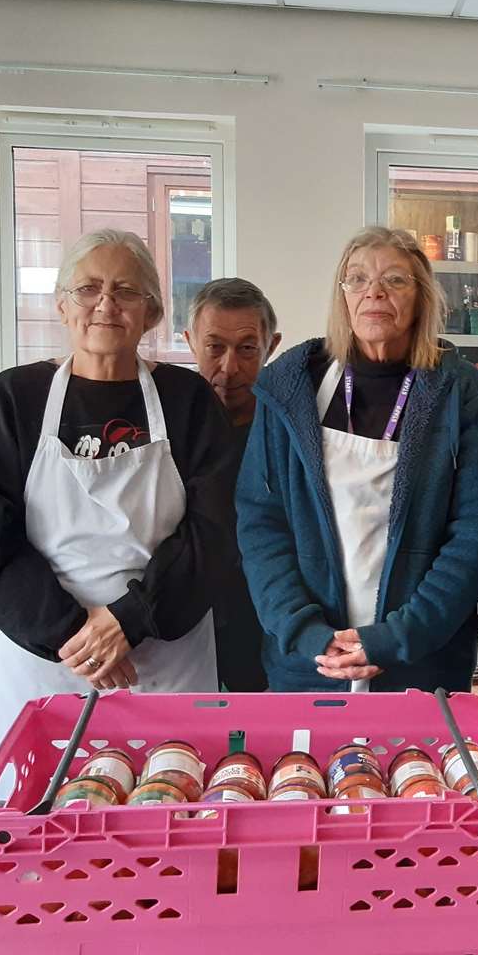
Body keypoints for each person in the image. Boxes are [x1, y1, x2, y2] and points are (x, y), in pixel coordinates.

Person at [0, 229, 234, 763]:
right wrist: (75, 633)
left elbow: (215, 529)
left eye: (126, 291)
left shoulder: (189, 401)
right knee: (39, 814)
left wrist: (131, 621)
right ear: (62, 306)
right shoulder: (13, 399)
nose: (105, 304)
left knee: (170, 805)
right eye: (88, 289)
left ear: (151, 311)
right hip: (43, 653)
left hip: (163, 646)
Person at [236, 227, 478, 693]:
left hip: (422, 659)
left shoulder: (459, 391)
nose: (373, 292)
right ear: (341, 296)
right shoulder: (289, 387)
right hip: (311, 662)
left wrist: (402, 636)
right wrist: (306, 632)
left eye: (394, 280)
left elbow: (475, 530)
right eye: (357, 279)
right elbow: (261, 522)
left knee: (417, 768)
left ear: (421, 296)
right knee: (305, 766)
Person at [184, 278, 282, 691]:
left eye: (246, 349)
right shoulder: (171, 427)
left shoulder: (286, 430)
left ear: (271, 346)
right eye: (214, 347)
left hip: (266, 617)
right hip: (182, 614)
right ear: (190, 341)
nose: (229, 367)